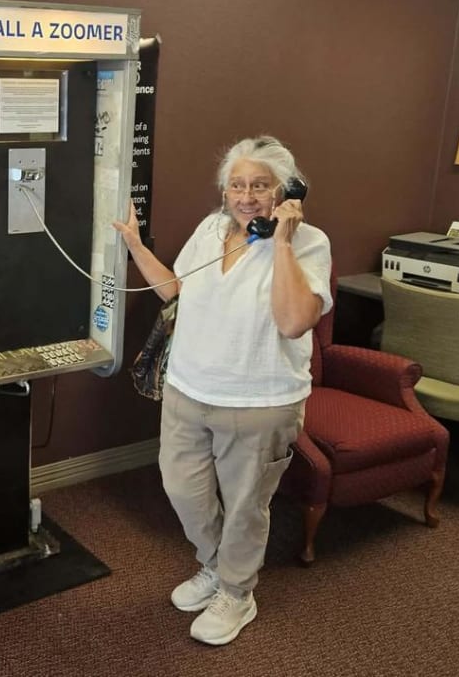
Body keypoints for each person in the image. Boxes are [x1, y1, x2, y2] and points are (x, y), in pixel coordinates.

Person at [113, 135, 332, 645]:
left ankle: (237, 591)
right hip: (189, 387)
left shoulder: (309, 244)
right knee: (181, 487)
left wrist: (279, 243)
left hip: (259, 402)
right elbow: (179, 292)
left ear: (287, 191)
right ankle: (214, 564)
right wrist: (136, 246)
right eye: (237, 185)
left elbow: (296, 320)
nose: (247, 195)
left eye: (261, 185)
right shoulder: (212, 230)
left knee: (244, 506)